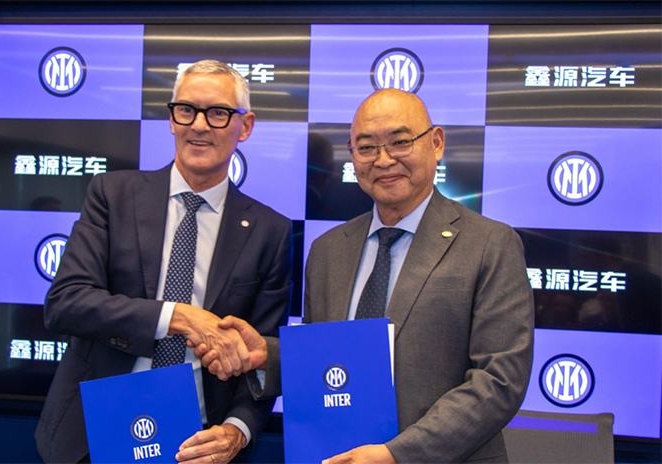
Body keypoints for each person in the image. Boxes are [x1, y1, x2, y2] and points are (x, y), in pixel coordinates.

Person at [207, 88, 534, 463]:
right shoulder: (329, 249)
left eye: (400, 142)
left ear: (436, 143)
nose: (384, 159)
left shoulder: (490, 243)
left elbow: (499, 380)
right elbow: (330, 360)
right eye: (366, 147)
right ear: (352, 157)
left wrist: (396, 455)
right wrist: (268, 356)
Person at [35, 60, 292, 464]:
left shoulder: (270, 230)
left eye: (218, 113)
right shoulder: (112, 195)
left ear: (245, 126)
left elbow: (261, 355)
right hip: (95, 432)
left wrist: (237, 429)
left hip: (196, 443)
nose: (199, 125)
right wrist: (179, 317)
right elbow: (65, 303)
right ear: (172, 119)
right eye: (186, 110)